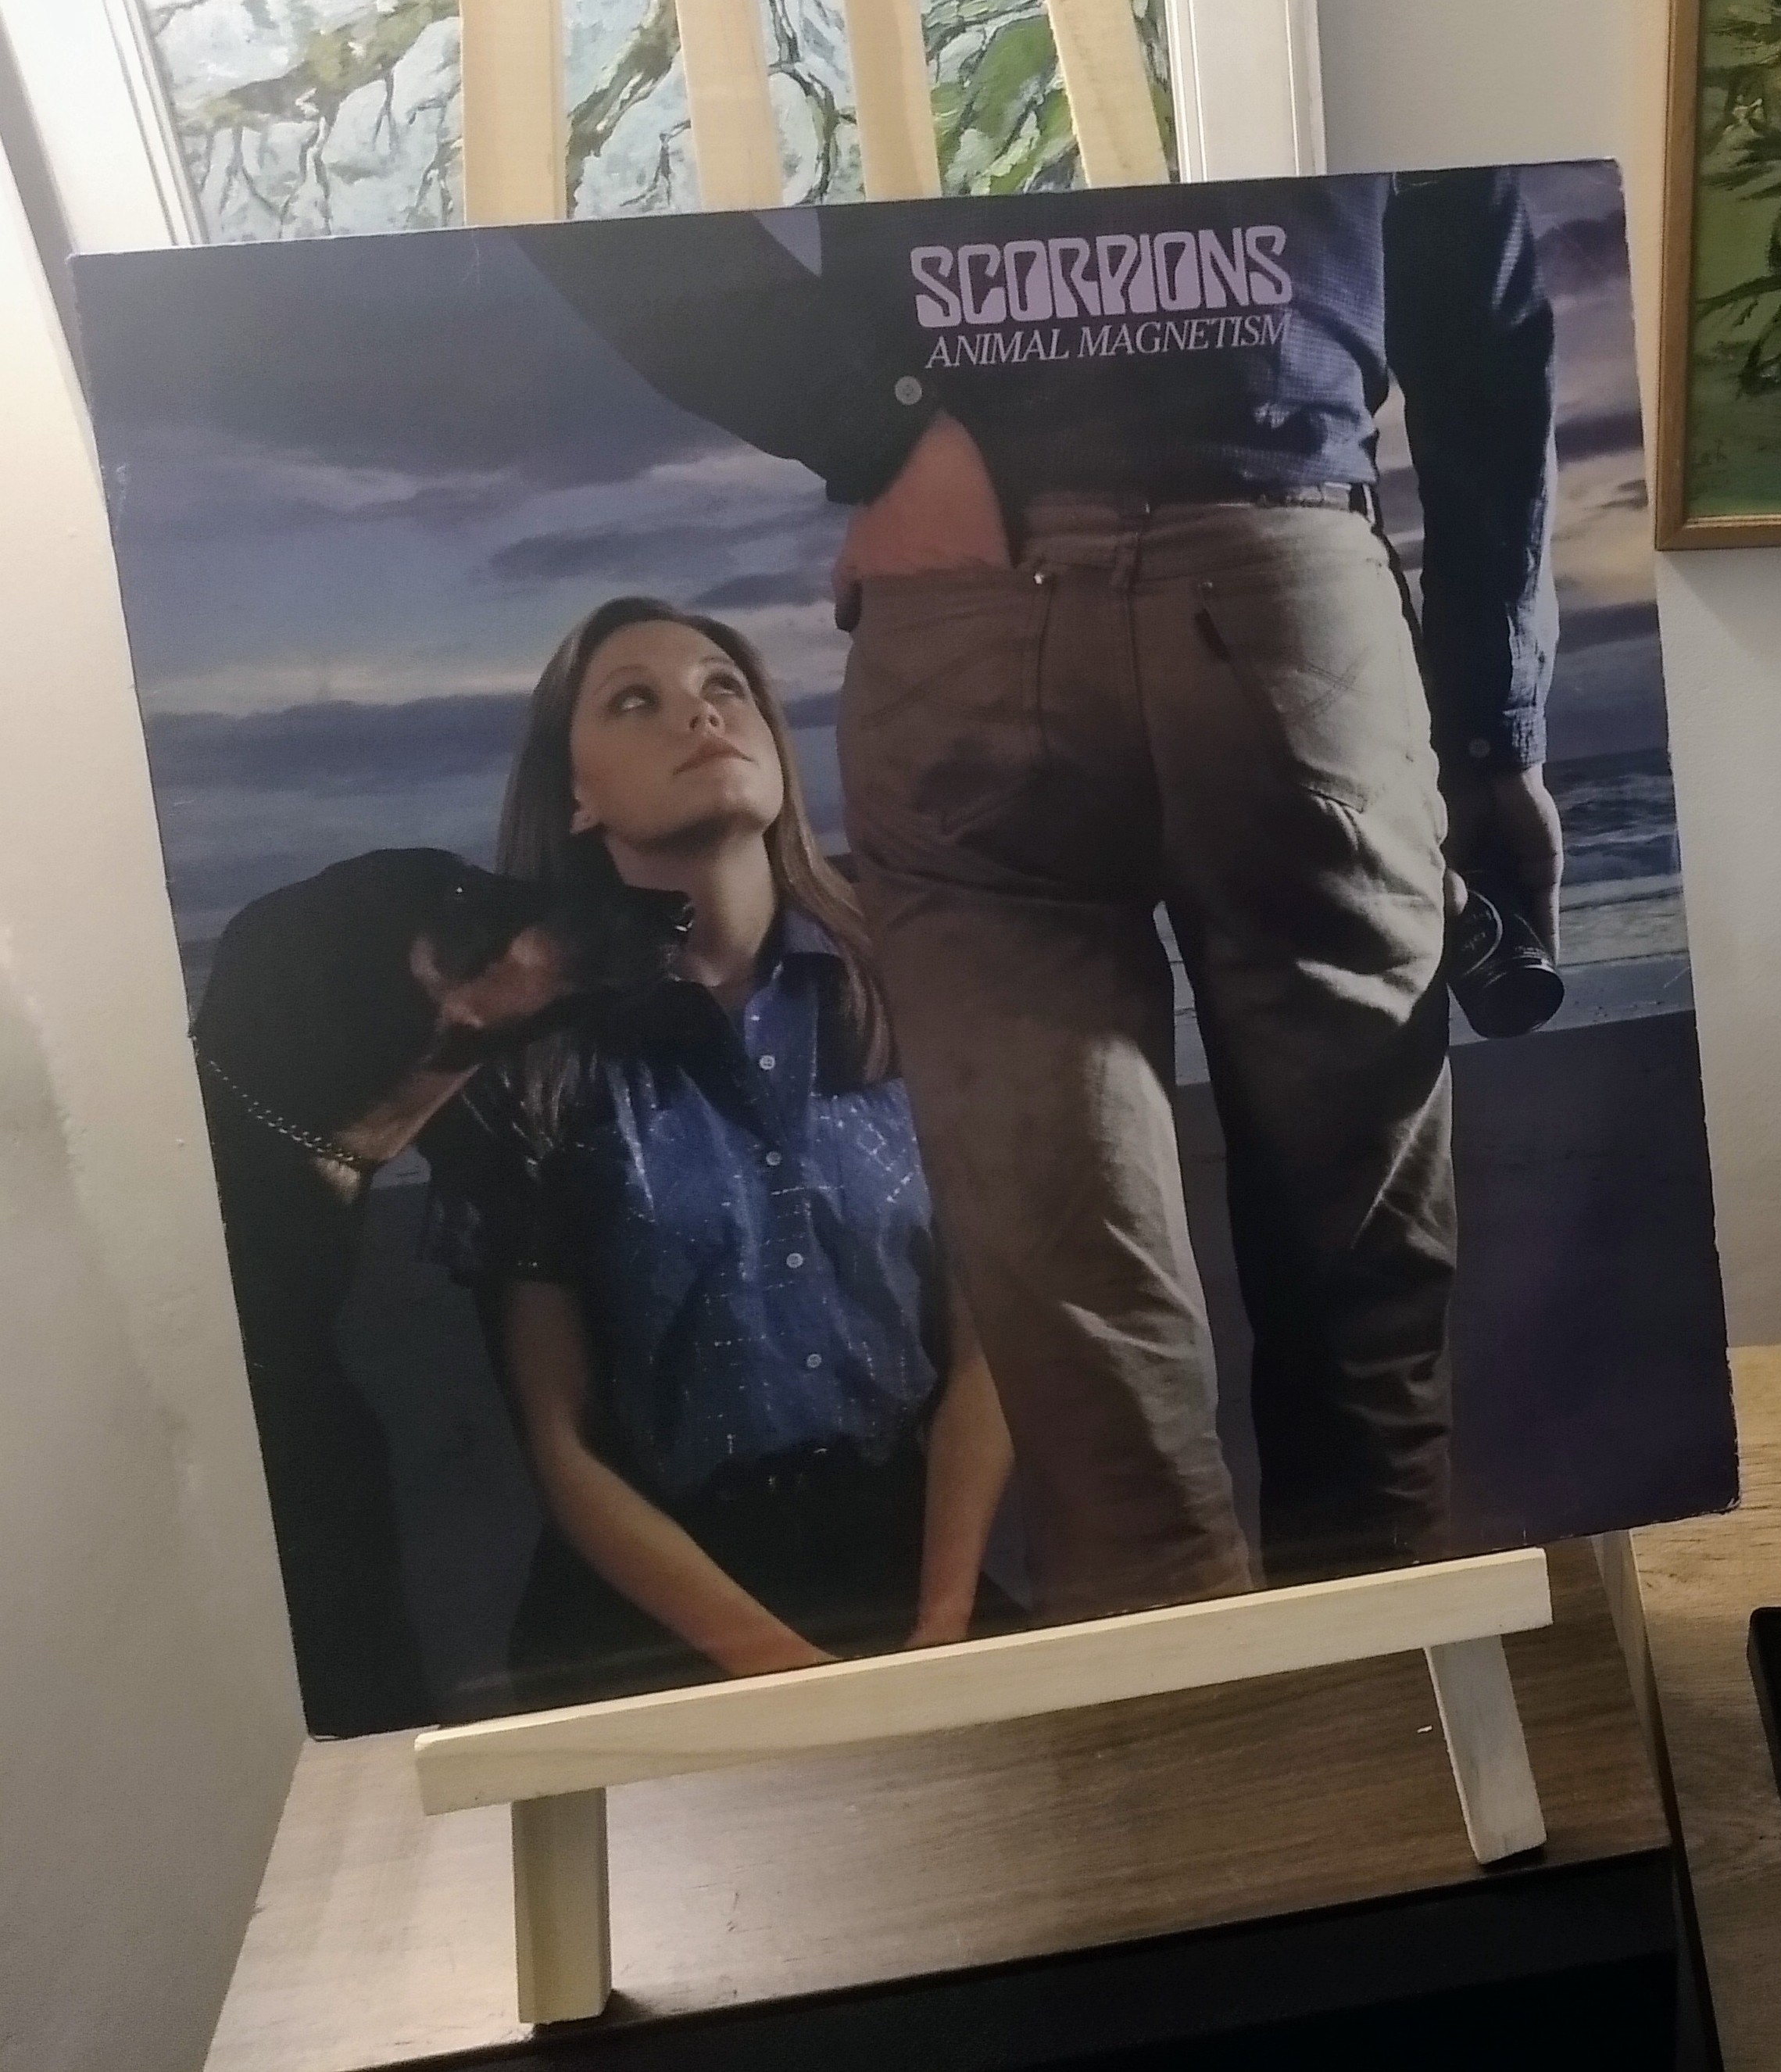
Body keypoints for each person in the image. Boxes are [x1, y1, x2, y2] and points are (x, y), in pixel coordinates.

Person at [522, 171, 1562, 1622]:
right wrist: (1491, 732)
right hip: (1284, 574)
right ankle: (1389, 1730)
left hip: (962, 594)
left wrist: (880, 425)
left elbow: (586, 193)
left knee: (1093, 1373)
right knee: (1366, 1321)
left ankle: (1197, 1753)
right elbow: (1482, 317)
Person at [433, 596, 1014, 1708]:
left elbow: (989, 1350)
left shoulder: (906, 987)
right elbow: (562, 1445)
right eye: (634, 702)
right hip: (656, 1633)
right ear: (576, 796)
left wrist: (944, 1623)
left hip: (912, 1577)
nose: (699, 717)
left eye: (724, 687)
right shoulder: (538, 1060)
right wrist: (787, 1678)